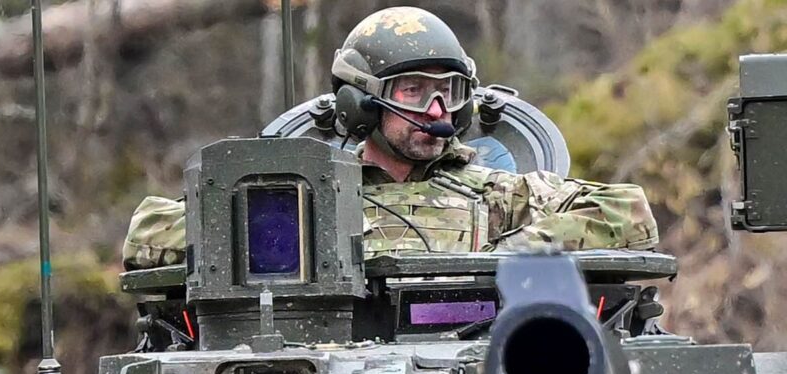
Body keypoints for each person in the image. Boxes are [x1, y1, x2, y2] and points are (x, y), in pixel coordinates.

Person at [122, 6, 658, 269]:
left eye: (447, 90)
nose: (436, 108)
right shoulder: (310, 197)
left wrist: (507, 256)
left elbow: (629, 212)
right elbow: (148, 230)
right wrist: (283, 235)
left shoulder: (500, 193)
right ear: (362, 102)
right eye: (413, 91)